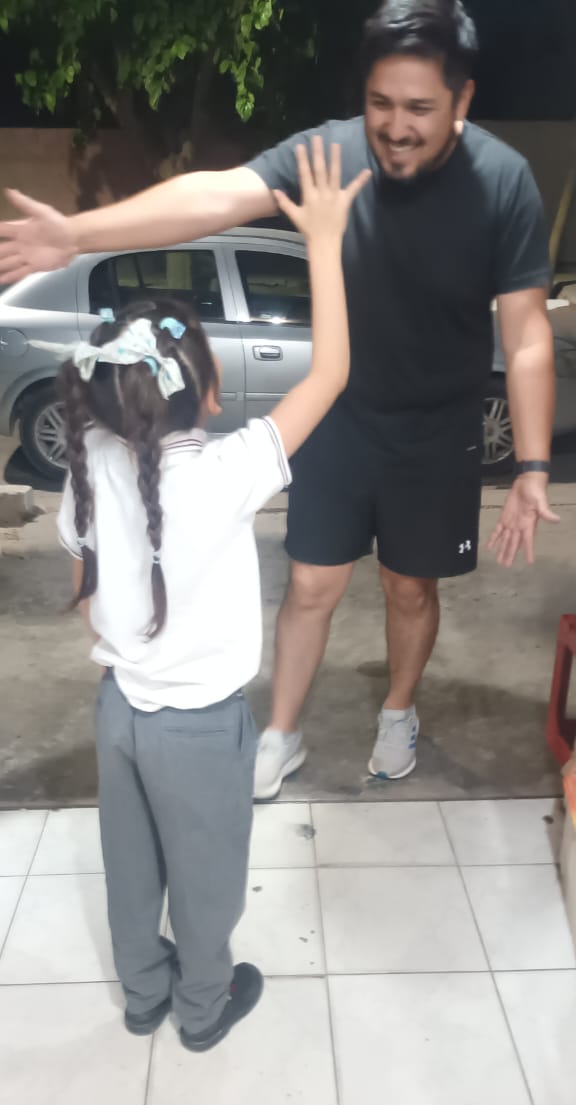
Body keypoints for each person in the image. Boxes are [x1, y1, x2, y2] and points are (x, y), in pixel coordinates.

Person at [0, 0, 558, 801]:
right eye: (380, 103)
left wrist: (532, 466)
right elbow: (218, 195)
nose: (395, 127)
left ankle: (398, 711)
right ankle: (282, 733)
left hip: (438, 431)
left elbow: (528, 333)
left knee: (410, 588)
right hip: (338, 416)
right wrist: (79, 235)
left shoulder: (503, 182)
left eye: (420, 108)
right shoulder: (332, 155)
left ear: (462, 99)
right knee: (311, 584)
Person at [50, 143, 370, 1050]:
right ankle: (201, 1007)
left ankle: (142, 993)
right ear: (210, 390)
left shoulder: (89, 459)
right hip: (199, 725)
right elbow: (330, 374)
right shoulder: (229, 470)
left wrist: (130, 642)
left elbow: (84, 587)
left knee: (130, 863)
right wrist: (323, 243)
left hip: (119, 710)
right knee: (207, 873)